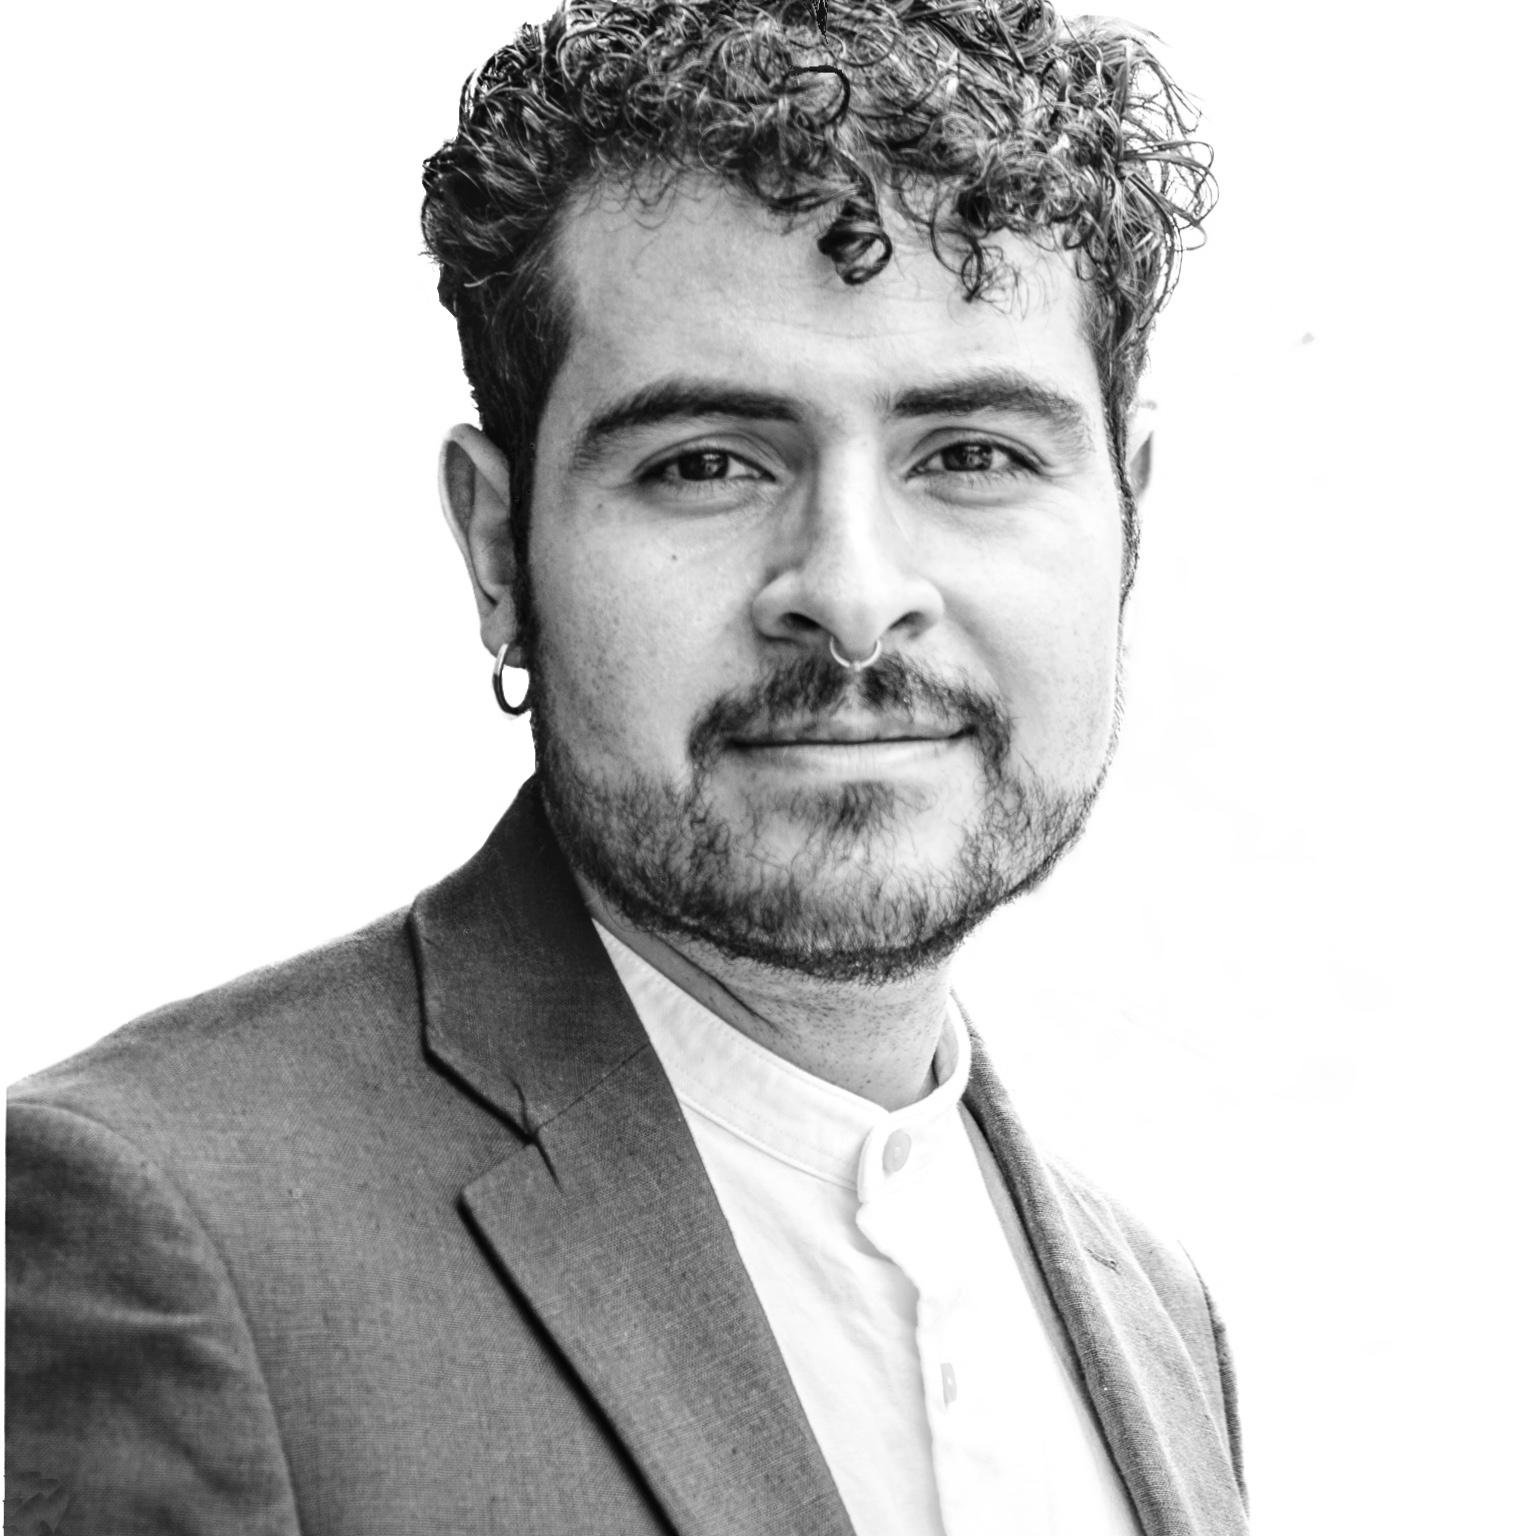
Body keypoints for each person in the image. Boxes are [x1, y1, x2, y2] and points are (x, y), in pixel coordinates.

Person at [7, 2, 1243, 1532]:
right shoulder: (165, 1232)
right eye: (706, 463)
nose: (853, 596)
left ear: (1128, 519)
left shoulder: (1158, 1317)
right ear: (497, 549)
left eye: (973, 455)